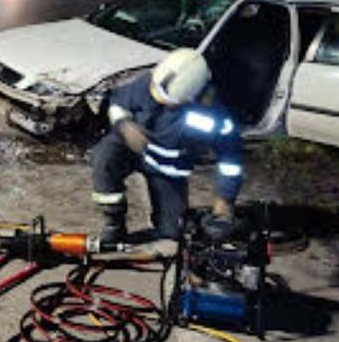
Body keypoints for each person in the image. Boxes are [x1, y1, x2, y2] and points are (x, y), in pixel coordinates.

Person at [90, 48, 243, 245]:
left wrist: (225, 200)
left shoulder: (211, 115)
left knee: (172, 235)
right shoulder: (149, 83)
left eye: (167, 100)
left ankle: (164, 227)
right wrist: (124, 125)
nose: (155, 98)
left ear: (190, 98)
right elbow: (118, 104)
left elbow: (231, 158)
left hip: (168, 169)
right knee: (104, 157)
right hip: (134, 149)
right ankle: (114, 223)